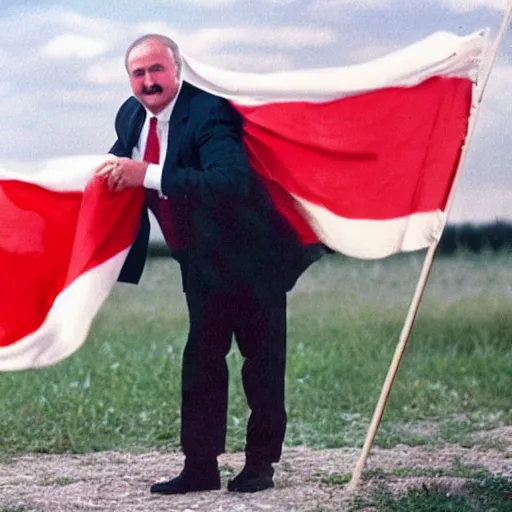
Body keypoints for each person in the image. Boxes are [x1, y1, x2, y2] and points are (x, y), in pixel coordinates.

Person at [95, 34, 324, 495]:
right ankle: (200, 467)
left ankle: (260, 466)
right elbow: (121, 158)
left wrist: (149, 175)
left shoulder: (208, 112)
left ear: (178, 69)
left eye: (157, 69)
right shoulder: (130, 114)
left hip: (252, 253)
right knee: (201, 360)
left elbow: (230, 179)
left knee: (261, 363)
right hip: (198, 259)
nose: (149, 81)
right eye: (138, 73)